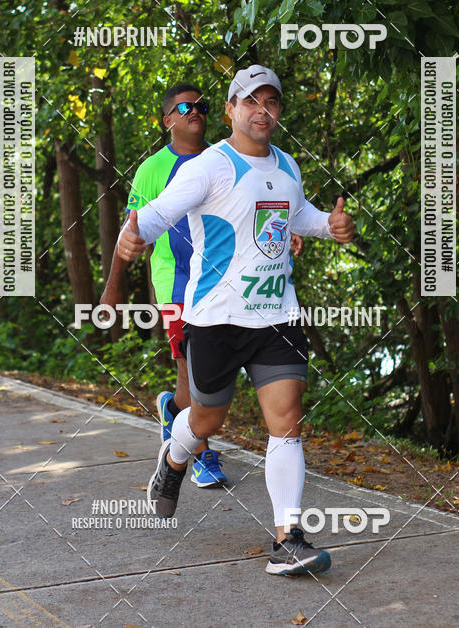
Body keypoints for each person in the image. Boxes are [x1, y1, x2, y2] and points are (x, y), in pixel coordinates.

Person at [116, 65, 355, 576]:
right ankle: (174, 459)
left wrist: (328, 225)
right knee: (206, 421)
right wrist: (132, 236)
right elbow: (156, 214)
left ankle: (288, 537)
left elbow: (295, 217)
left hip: (277, 315)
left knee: (286, 421)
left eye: (271, 102)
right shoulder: (208, 166)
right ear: (231, 110)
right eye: (250, 101)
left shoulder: (287, 164)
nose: (262, 110)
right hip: (216, 321)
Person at [101, 83, 228, 488]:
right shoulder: (152, 170)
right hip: (175, 282)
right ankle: (202, 453)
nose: (196, 112)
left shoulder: (224, 160)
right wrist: (112, 288)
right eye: (185, 107)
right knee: (195, 372)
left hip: (223, 281)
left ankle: (172, 410)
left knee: (212, 375)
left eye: (202, 106)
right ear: (168, 120)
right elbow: (132, 231)